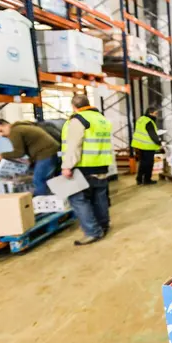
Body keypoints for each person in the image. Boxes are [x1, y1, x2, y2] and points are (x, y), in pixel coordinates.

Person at [61, 95, 113, 246]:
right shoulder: (101, 119)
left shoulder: (79, 119)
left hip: (84, 167)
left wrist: (67, 166)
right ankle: (103, 225)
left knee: (78, 199)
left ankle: (92, 232)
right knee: (99, 197)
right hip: (101, 165)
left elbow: (74, 145)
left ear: (73, 106)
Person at [0, 119, 60, 196]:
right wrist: (30, 160)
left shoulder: (15, 131)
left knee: (39, 180)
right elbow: (32, 145)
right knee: (45, 178)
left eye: (0, 131)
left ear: (5, 125)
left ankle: (41, 202)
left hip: (46, 153)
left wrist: (2, 155)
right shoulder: (21, 127)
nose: (1, 134)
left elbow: (18, 152)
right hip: (53, 151)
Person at [131, 107, 162, 185]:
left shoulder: (141, 119)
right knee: (148, 164)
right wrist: (159, 143)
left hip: (139, 144)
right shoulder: (149, 121)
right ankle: (147, 180)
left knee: (142, 163)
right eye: (155, 113)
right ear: (150, 113)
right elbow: (152, 134)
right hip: (148, 146)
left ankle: (139, 179)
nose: (156, 115)